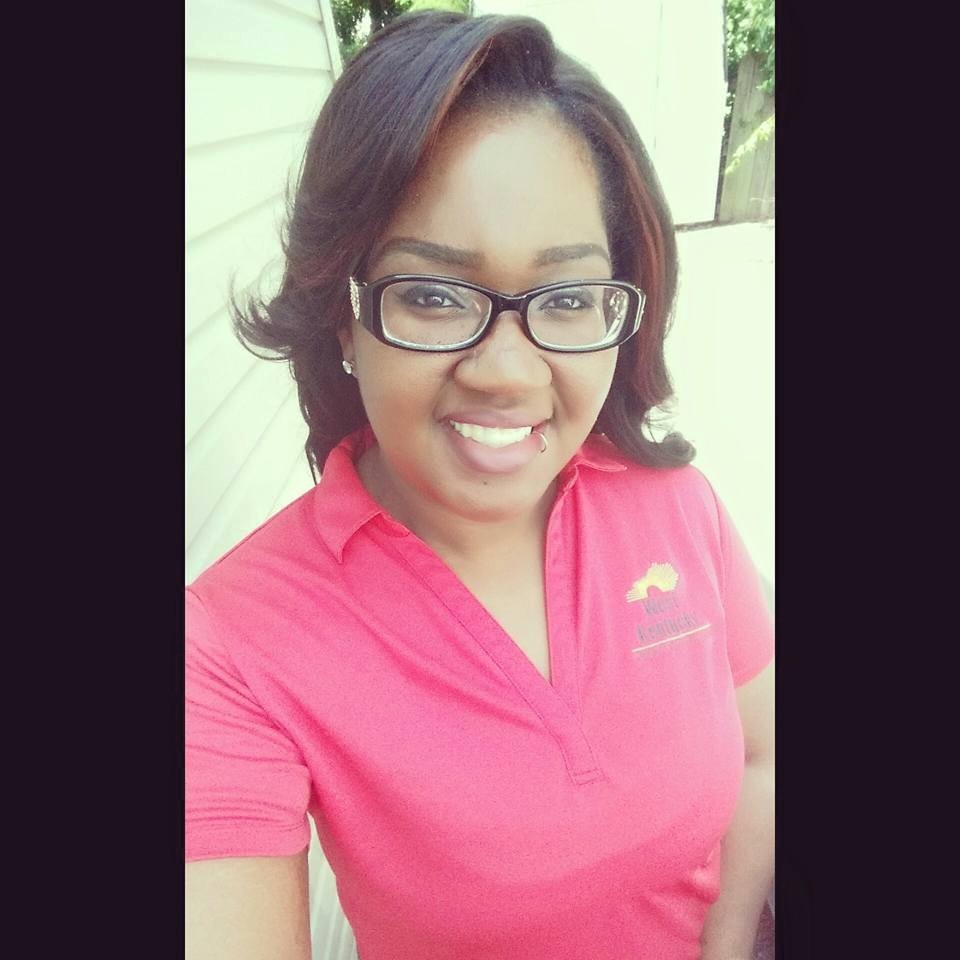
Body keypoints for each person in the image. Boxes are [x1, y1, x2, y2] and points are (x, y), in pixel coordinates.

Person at [185, 10, 774, 960]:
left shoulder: (677, 507)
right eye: (432, 294)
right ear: (342, 315)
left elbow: (762, 753)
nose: (506, 371)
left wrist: (730, 941)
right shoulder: (229, 646)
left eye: (568, 298)